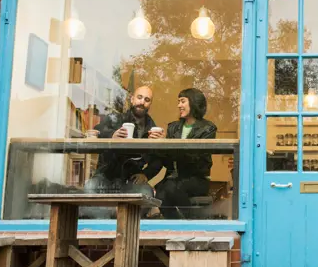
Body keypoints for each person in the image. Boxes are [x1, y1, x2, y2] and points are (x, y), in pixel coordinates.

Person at [83, 86, 163, 209]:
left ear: (150, 104)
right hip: (106, 175)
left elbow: (158, 159)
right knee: (89, 188)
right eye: (139, 97)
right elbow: (97, 130)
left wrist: (146, 174)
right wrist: (112, 135)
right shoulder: (117, 119)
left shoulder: (152, 128)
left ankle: (127, 225)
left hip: (131, 180)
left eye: (147, 100)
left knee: (147, 194)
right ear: (132, 99)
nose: (142, 102)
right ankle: (106, 224)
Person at [154, 88, 217, 219]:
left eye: (182, 101)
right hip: (174, 178)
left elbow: (196, 157)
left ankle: (190, 220)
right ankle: (179, 224)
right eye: (178, 102)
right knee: (160, 191)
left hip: (197, 178)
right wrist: (159, 144)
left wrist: (169, 144)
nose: (179, 105)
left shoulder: (208, 128)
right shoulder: (173, 127)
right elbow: (167, 161)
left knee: (169, 188)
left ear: (193, 102)